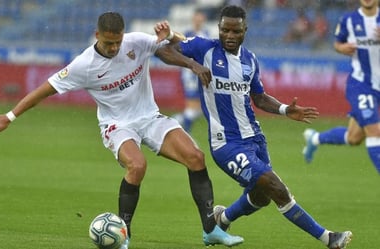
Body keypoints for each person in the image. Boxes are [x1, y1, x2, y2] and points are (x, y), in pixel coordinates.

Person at [0, 12, 244, 248]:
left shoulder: (134, 41)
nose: (114, 48)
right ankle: (123, 235)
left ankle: (210, 229)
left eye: (117, 42)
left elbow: (163, 51)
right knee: (137, 166)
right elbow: (44, 89)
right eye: (109, 43)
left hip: (149, 117)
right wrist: (10, 116)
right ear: (97, 35)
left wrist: (191, 64)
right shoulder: (83, 65)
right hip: (116, 125)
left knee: (195, 157)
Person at [157, 5, 353, 249]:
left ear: (244, 31)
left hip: (255, 139)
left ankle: (223, 218)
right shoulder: (203, 48)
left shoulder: (250, 60)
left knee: (262, 196)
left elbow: (258, 97)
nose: (229, 35)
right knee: (276, 188)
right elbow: (163, 51)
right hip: (226, 144)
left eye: (235, 31)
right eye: (225, 30)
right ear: (218, 29)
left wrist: (284, 109)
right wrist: (192, 65)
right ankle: (328, 238)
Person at [302, 0, 380, 174]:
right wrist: (342, 48)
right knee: (375, 131)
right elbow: (337, 43)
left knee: (354, 138)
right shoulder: (349, 20)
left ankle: (315, 138)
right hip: (362, 84)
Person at [172, 9, 209, 133]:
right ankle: (183, 129)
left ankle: (179, 121)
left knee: (199, 109)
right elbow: (181, 52)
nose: (198, 21)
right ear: (193, 20)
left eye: (200, 19)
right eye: (196, 19)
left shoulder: (206, 34)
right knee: (193, 106)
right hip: (190, 74)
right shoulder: (187, 34)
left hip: (202, 72)